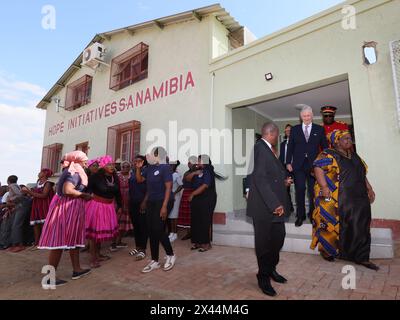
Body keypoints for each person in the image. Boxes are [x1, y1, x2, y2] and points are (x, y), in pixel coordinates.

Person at [311, 130, 379, 270]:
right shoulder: (328, 154)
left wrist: (370, 188)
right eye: (345, 138)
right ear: (337, 141)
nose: (349, 140)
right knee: (343, 226)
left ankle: (362, 257)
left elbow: (362, 173)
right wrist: (324, 186)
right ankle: (329, 251)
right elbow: (317, 168)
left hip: (360, 197)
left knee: (362, 226)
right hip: (341, 197)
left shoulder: (354, 156)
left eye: (349, 138)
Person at [247, 122, 292, 297]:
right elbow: (259, 178)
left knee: (278, 239)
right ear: (272, 134)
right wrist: (274, 204)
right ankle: (263, 276)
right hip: (265, 208)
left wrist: (283, 182)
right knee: (264, 244)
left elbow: (269, 177)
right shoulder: (260, 148)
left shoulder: (268, 151)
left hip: (273, 208)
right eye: (277, 135)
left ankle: (271, 269)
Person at [38, 151, 92, 286]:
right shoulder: (73, 172)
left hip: (70, 207)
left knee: (73, 239)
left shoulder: (73, 170)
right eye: (84, 160)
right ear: (78, 161)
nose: (86, 162)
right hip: (66, 208)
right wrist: (83, 195)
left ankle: (77, 269)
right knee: (59, 242)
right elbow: (68, 190)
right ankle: (50, 278)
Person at [286, 105, 328, 227]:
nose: (306, 118)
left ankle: (312, 214)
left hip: (313, 166)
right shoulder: (295, 129)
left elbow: (325, 148)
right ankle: (300, 215)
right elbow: (290, 147)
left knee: (312, 191)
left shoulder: (319, 129)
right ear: (301, 117)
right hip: (298, 165)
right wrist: (288, 162)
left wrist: (325, 163)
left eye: (308, 115)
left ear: (312, 116)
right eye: (304, 116)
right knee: (299, 190)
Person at [136, 147, 176, 273]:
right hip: (152, 202)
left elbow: (169, 188)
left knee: (158, 229)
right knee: (152, 230)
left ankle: (170, 255)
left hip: (164, 201)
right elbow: (139, 180)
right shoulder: (148, 168)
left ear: (158, 156)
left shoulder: (165, 168)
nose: (148, 155)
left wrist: (164, 206)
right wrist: (138, 168)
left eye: (151, 153)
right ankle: (155, 260)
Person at [85, 155, 121, 268]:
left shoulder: (115, 177)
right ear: (103, 166)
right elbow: (87, 189)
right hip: (96, 206)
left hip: (109, 207)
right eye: (109, 164)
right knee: (93, 234)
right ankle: (92, 258)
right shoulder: (95, 177)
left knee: (100, 233)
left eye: (112, 164)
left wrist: (120, 205)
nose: (112, 166)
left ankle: (98, 254)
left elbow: (117, 192)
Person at [186, 155, 217, 252]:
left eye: (199, 161)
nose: (198, 163)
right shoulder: (197, 171)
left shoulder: (208, 171)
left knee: (204, 221)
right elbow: (187, 178)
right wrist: (195, 172)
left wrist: (192, 194)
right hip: (197, 199)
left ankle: (206, 244)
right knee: (196, 220)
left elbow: (205, 186)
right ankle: (198, 242)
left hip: (207, 198)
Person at [21, 169, 55, 249]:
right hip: (37, 205)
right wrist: (26, 192)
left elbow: (44, 195)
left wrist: (29, 192)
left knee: (44, 224)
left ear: (45, 174)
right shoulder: (38, 183)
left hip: (45, 205)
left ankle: (45, 242)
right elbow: (34, 194)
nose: (38, 173)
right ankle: (36, 243)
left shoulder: (48, 183)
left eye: (40, 172)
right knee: (36, 224)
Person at [128, 155, 149, 260]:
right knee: (136, 226)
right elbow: (131, 187)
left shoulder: (145, 171)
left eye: (139, 161)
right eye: (135, 161)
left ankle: (143, 250)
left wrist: (144, 201)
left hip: (142, 202)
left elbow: (140, 181)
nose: (136, 162)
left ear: (143, 162)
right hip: (133, 202)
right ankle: (138, 247)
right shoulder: (132, 172)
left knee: (142, 226)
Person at [111, 161, 133, 250]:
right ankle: (113, 243)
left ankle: (119, 241)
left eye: (127, 167)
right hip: (118, 201)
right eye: (123, 166)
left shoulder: (132, 176)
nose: (125, 168)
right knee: (115, 222)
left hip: (127, 202)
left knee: (123, 223)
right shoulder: (117, 176)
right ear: (121, 167)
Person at [6, 175, 32, 253]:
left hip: (21, 206)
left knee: (16, 225)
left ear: (8, 181)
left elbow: (20, 195)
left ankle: (19, 245)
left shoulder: (12, 186)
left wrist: (10, 199)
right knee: (16, 225)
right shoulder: (15, 185)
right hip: (20, 206)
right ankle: (16, 244)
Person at [177, 156, 198, 241]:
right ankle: (189, 233)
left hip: (194, 194)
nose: (189, 164)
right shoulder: (186, 173)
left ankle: (194, 233)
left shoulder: (198, 173)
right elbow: (182, 185)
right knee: (187, 215)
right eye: (188, 162)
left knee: (193, 214)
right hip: (186, 194)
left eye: (191, 162)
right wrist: (174, 193)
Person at [279, 124, 294, 214]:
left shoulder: (297, 143)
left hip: (295, 168)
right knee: (285, 188)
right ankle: (289, 206)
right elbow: (281, 157)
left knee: (300, 188)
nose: (287, 132)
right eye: (286, 130)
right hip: (285, 168)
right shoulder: (282, 144)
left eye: (289, 130)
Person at [168, 161, 183, 243]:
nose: (170, 166)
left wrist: (174, 193)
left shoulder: (176, 175)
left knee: (174, 215)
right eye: (169, 164)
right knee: (170, 215)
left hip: (175, 197)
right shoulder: (168, 174)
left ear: (174, 166)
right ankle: (171, 232)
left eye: (172, 165)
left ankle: (175, 233)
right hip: (169, 197)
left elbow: (181, 185)